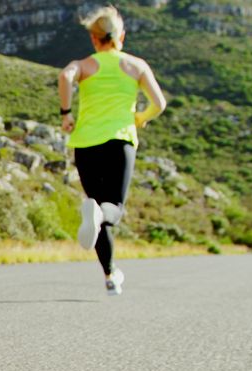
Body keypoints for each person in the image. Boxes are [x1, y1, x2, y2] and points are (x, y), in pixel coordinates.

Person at [58, 6, 167, 296]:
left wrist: (66, 113)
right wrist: (141, 118)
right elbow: (159, 104)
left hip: (85, 144)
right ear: (121, 36)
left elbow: (65, 76)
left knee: (96, 211)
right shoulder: (136, 66)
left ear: (94, 40)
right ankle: (109, 273)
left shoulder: (84, 65)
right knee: (111, 210)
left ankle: (109, 275)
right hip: (119, 143)